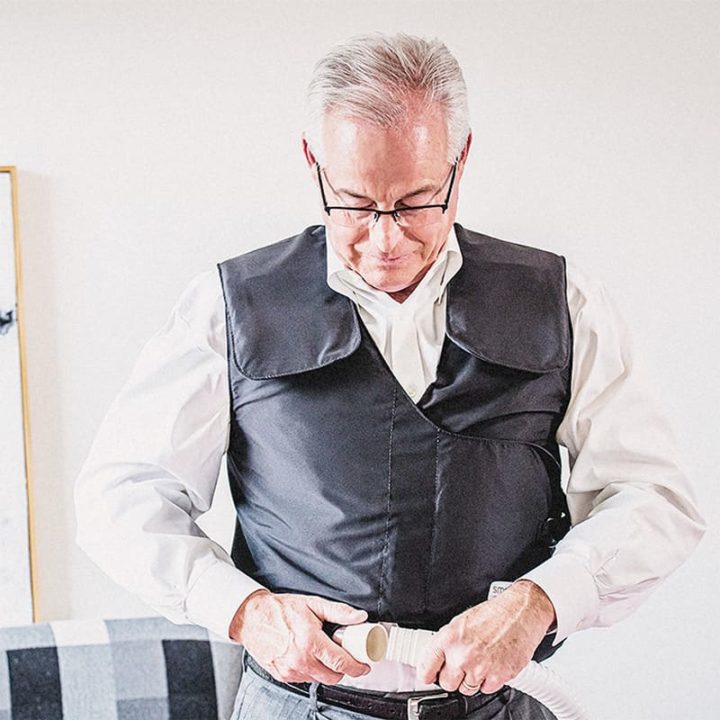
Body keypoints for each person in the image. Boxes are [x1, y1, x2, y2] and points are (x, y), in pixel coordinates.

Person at [75, 33, 705, 720]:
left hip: (499, 707)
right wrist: (244, 611)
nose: (385, 238)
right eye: (354, 203)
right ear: (312, 162)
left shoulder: (562, 300)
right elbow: (120, 497)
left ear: (460, 163)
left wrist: (542, 601)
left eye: (415, 203)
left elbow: (653, 496)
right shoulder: (228, 307)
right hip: (296, 708)